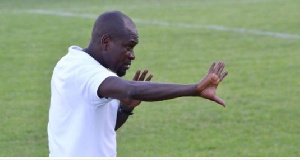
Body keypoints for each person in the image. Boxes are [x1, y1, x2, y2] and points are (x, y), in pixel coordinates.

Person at [48, 10, 229, 157]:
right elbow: (129, 90)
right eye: (128, 46)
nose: (133, 55)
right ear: (106, 42)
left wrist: (125, 109)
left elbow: (103, 129)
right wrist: (194, 89)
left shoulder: (74, 63)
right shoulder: (85, 72)